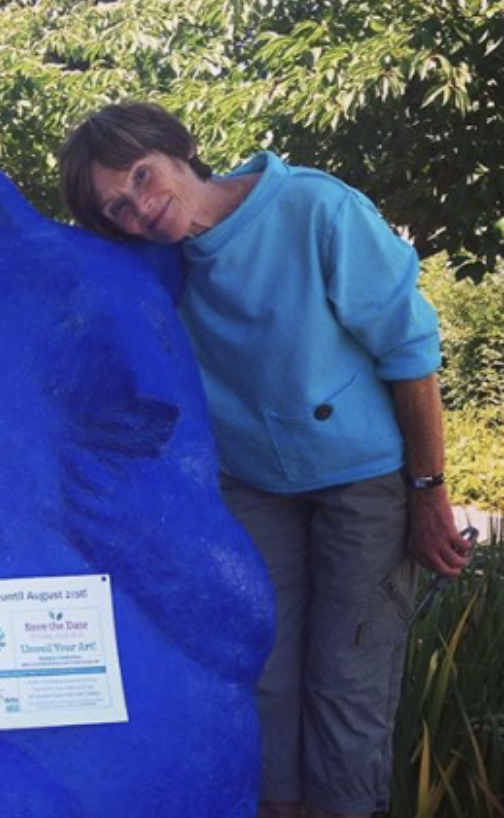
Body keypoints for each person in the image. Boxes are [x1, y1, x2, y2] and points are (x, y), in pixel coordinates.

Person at [58, 103, 471, 818]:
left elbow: (410, 351)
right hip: (253, 487)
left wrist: (428, 491)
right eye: (116, 207)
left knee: (347, 682)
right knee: (262, 674)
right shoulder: (157, 268)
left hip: (364, 480)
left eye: (142, 176)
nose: (140, 208)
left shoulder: (312, 207)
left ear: (180, 148)